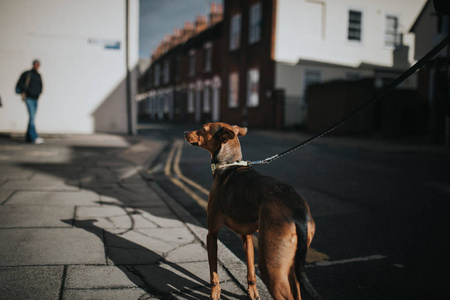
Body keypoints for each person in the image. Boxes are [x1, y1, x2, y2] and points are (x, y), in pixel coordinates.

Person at [16, 60, 44, 144]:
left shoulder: (38, 75)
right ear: (33, 65)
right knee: (32, 117)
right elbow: (20, 83)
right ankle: (34, 137)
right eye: (35, 64)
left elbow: (41, 86)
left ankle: (28, 137)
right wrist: (26, 91)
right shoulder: (27, 74)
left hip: (35, 98)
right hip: (29, 98)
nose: (36, 66)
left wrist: (38, 93)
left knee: (32, 117)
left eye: (37, 65)